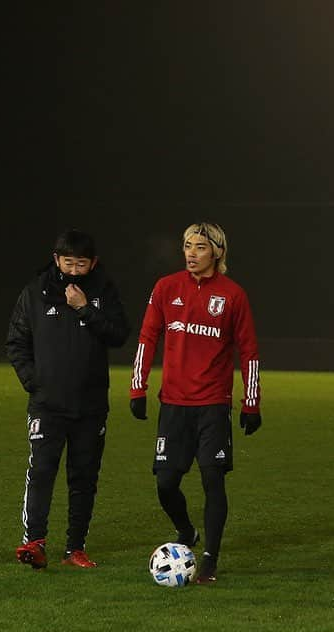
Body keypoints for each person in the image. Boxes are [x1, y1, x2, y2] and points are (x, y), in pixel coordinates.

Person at [130, 221, 261, 584]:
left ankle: (210, 558)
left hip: (213, 406)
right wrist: (137, 388)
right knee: (166, 483)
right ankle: (187, 532)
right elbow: (147, 338)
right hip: (173, 405)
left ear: (217, 252)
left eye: (200, 246)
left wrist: (252, 402)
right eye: (187, 245)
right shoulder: (165, 288)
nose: (191, 253)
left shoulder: (233, 295)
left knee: (212, 479)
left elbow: (248, 350)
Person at [6, 230, 129, 569]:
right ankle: (34, 542)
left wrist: (85, 309)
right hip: (48, 405)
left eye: (82, 264)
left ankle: (75, 548)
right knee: (42, 471)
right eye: (68, 262)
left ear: (93, 263)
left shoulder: (103, 290)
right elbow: (16, 342)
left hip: (90, 405)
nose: (74, 270)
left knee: (84, 477)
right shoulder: (35, 293)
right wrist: (35, 382)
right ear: (57, 258)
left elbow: (119, 334)